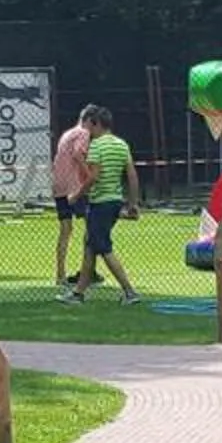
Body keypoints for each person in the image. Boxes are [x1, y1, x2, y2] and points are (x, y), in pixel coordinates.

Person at [59, 105, 143, 305]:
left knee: (104, 248)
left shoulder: (96, 146)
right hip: (115, 201)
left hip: (100, 203)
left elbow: (93, 177)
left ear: (95, 124)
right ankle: (78, 293)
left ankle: (130, 292)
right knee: (90, 245)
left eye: (89, 126)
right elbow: (131, 175)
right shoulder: (122, 144)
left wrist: (77, 195)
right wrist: (133, 203)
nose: (86, 132)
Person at [49, 112, 93, 287]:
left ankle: (60, 274)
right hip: (74, 186)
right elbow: (77, 154)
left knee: (65, 230)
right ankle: (88, 271)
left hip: (59, 186)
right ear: (89, 121)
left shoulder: (67, 134)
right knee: (91, 227)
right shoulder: (83, 133)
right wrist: (89, 175)